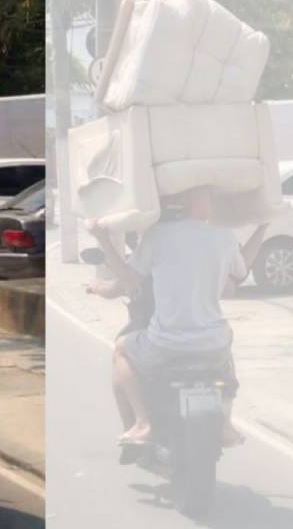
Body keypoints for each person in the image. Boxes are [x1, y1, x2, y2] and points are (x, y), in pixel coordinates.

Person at [87, 186, 268, 447]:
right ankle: (225, 424)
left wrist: (103, 239)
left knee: (121, 350)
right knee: (225, 355)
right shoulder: (224, 238)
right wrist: (262, 229)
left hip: (166, 343)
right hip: (213, 341)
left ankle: (142, 423)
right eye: (208, 195)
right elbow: (238, 276)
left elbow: (127, 281)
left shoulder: (157, 236)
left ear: (181, 200)